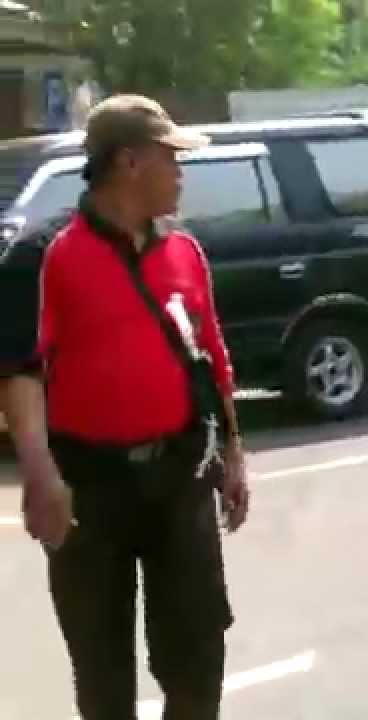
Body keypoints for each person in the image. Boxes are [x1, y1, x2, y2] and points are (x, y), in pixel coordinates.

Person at [0, 94, 249, 720]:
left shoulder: (184, 252)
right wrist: (40, 471)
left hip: (181, 477)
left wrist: (236, 454)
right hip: (89, 488)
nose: (182, 173)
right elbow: (19, 372)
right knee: (103, 673)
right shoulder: (43, 255)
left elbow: (211, 357)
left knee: (197, 661)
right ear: (129, 162)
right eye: (172, 158)